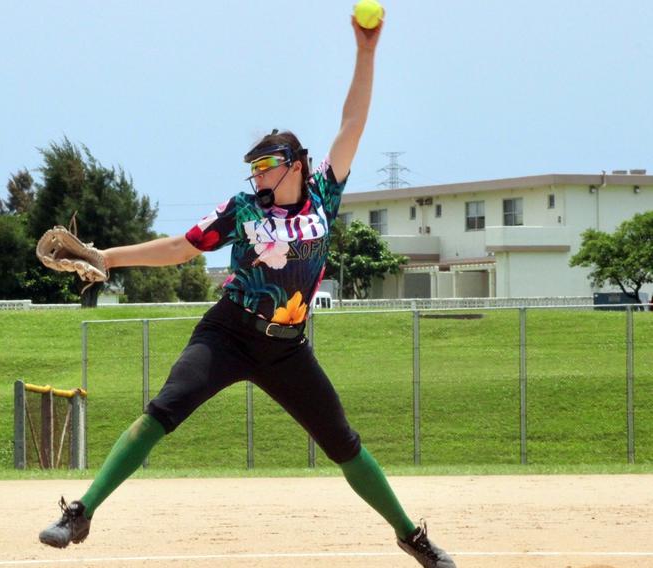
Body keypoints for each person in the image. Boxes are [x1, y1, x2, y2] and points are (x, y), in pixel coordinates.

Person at [39, 13, 456, 568]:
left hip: (287, 346)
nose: (257, 177)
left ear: (297, 166)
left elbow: (352, 119)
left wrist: (366, 52)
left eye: (267, 167)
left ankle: (410, 535)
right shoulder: (244, 210)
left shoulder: (325, 194)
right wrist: (106, 258)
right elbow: (183, 247)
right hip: (229, 331)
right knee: (163, 410)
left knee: (343, 443)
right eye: (254, 169)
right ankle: (82, 512)